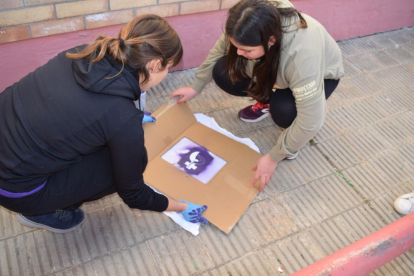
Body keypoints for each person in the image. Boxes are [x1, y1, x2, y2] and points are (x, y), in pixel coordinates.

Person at [0, 14, 208, 234]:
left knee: (110, 144)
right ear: (156, 65)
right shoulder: (121, 116)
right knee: (132, 163)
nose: (166, 75)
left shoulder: (83, 53)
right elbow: (133, 193)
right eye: (169, 69)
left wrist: (124, 122)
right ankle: (41, 211)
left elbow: (80, 111)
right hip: (15, 190)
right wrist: (181, 206)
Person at [171, 0, 344, 191]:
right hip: (273, 65)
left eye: (246, 50)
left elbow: (312, 120)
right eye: (236, 46)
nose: (238, 52)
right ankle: (266, 100)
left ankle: (289, 132)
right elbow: (218, 52)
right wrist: (196, 86)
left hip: (321, 76)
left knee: (285, 112)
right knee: (223, 71)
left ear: (271, 40)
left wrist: (274, 156)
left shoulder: (301, 57)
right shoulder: (247, 19)